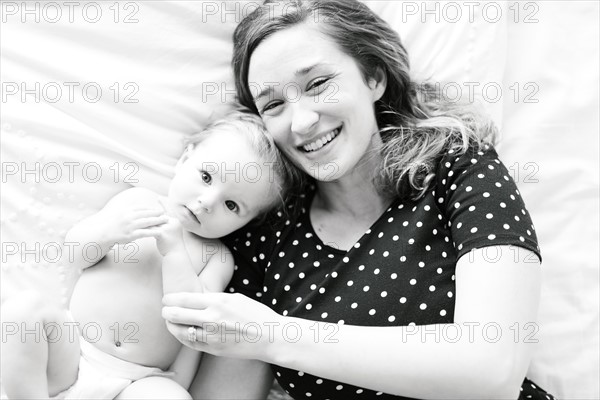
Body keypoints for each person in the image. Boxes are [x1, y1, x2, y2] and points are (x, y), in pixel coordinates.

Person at [162, 1, 556, 399]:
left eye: (317, 84)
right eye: (274, 104)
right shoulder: (266, 234)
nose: (301, 122)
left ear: (374, 77)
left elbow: (493, 368)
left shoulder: (459, 167)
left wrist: (274, 335)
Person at [0, 109, 292, 399]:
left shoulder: (217, 258)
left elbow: (191, 320)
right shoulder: (137, 202)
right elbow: (75, 255)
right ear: (185, 159)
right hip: (73, 350)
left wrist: (176, 253)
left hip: (139, 381)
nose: (207, 202)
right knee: (23, 312)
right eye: (206, 176)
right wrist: (109, 230)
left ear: (248, 221)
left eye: (231, 205)